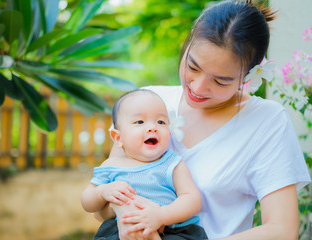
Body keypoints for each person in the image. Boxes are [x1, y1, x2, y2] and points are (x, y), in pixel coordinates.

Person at [94, 0, 312, 240]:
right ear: (187, 44)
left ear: (248, 74)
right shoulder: (148, 104)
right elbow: (101, 208)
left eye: (221, 81)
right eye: (193, 67)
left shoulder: (266, 121)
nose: (198, 88)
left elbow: (282, 230)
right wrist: (127, 212)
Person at [81, 89, 208, 240]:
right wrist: (102, 191)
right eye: (139, 122)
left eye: (161, 122)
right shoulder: (111, 165)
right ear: (118, 138)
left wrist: (161, 216)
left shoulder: (171, 163)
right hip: (120, 228)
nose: (152, 127)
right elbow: (88, 203)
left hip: (172, 230)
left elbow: (192, 199)